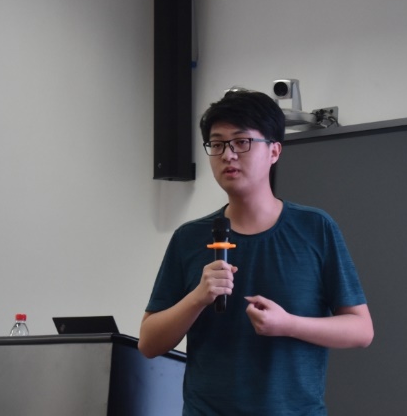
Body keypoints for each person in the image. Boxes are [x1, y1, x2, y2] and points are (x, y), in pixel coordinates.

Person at [139, 89, 373, 415]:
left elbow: (361, 330)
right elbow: (149, 343)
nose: (228, 155)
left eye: (241, 142)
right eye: (217, 144)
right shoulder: (188, 238)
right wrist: (197, 298)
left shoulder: (315, 228)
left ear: (274, 150)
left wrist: (288, 324)